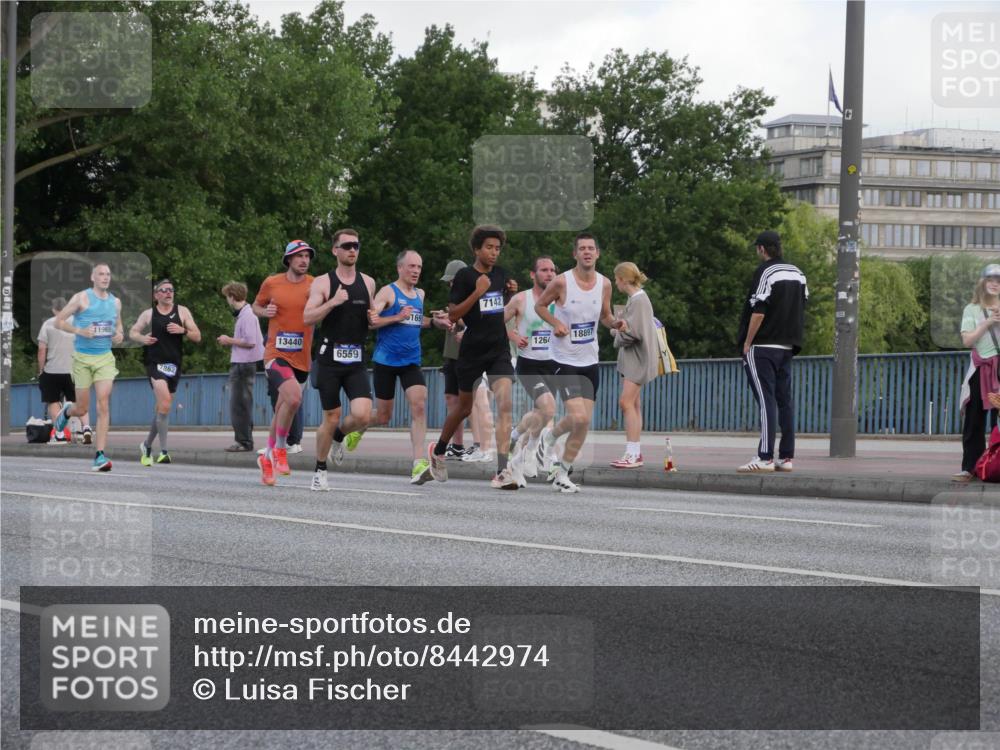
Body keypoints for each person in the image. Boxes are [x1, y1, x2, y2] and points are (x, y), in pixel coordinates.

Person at [426, 225, 522, 490]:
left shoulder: (500, 274)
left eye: (498, 248)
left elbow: (496, 309)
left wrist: (510, 294)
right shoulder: (465, 277)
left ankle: (502, 471)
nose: (494, 253)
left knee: (504, 403)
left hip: (498, 350)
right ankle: (439, 450)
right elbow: (454, 314)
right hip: (471, 352)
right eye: (489, 247)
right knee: (464, 408)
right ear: (477, 249)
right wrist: (477, 292)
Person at [535, 233, 620, 493]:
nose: (587, 252)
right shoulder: (562, 282)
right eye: (582, 248)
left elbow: (605, 315)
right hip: (564, 359)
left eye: (591, 248)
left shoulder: (605, 284)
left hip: (590, 360)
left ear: (598, 254)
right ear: (575, 254)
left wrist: (616, 323)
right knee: (578, 416)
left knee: (583, 423)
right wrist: (556, 323)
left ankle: (562, 472)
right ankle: (550, 437)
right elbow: (540, 306)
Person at [364, 249, 452, 483]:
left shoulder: (420, 294)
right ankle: (358, 426)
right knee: (383, 416)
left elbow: (417, 320)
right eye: (411, 266)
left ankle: (418, 463)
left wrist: (435, 322)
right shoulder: (388, 291)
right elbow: (371, 321)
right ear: (400, 268)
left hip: (411, 361)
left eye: (419, 267)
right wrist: (396, 317)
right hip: (386, 361)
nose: (416, 271)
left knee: (419, 406)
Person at [303, 229, 375, 492]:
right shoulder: (323, 283)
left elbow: (372, 318)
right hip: (329, 360)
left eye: (356, 245)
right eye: (346, 246)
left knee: (363, 415)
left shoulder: (368, 282)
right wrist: (333, 302)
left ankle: (338, 437)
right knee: (332, 416)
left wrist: (376, 318)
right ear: (335, 250)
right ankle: (320, 470)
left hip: (355, 358)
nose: (352, 250)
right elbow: (307, 317)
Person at [735, 230, 808, 473]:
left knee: (766, 400)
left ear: (762, 249)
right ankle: (786, 457)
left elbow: (759, 310)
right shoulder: (798, 273)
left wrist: (747, 341)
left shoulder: (766, 272)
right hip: (787, 346)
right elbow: (802, 305)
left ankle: (764, 456)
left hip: (763, 346)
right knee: (784, 401)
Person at [253, 240, 316, 486]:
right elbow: (255, 306)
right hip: (276, 353)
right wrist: (264, 312)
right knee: (294, 398)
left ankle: (267, 458)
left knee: (282, 408)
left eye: (307, 256)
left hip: (302, 357)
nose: (304, 260)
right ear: (288, 259)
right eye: (299, 256)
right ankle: (280, 448)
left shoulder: (315, 284)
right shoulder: (272, 282)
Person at [53, 262, 124, 472]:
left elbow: (119, 325)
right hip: (82, 358)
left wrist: (119, 334)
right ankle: (68, 411)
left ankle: (99, 455)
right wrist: (80, 331)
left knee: (103, 404)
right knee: (82, 408)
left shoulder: (115, 302)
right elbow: (59, 321)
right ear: (93, 277)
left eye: (108, 274)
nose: (105, 277)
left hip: (105, 358)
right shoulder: (81, 298)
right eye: (101, 274)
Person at [129, 279, 202, 465]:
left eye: (171, 290)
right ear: (156, 295)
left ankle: (146, 445)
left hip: (174, 365)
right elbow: (133, 332)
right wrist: (142, 339)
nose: (169, 293)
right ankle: (163, 451)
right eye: (164, 290)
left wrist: (183, 330)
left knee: (163, 408)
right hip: (155, 363)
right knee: (166, 402)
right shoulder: (149, 314)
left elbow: (197, 336)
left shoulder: (182, 311)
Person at [506, 256, 559, 477]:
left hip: (553, 363)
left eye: (552, 270)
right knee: (548, 408)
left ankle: (515, 437)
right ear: (532, 274)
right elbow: (497, 323)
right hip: (529, 364)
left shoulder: (561, 300)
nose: (549, 274)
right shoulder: (521, 299)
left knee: (541, 412)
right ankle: (539, 455)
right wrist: (514, 336)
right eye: (544, 270)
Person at [609, 262, 660, 468]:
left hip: (637, 360)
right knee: (634, 405)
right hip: (636, 359)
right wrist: (621, 328)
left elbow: (635, 333)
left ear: (623, 279)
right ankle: (635, 453)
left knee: (626, 403)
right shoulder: (637, 299)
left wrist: (616, 332)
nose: (615, 283)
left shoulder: (638, 300)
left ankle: (632, 454)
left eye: (616, 279)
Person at [955, 264, 1000, 482]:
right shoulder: (971, 309)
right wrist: (987, 322)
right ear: (983, 283)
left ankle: (995, 466)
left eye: (998, 281)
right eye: (991, 280)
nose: (995, 284)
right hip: (981, 367)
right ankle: (970, 467)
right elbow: (967, 340)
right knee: (974, 419)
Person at [218, 282, 265, 452]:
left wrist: (228, 340)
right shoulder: (246, 314)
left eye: (227, 297)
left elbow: (250, 341)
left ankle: (243, 441)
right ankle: (244, 440)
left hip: (243, 365)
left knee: (239, 404)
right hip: (244, 364)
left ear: (232, 297)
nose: (227, 300)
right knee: (242, 403)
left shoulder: (247, 316)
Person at [37, 297, 90, 444]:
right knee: (79, 402)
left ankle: (59, 433)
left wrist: (41, 370)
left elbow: (42, 350)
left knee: (53, 402)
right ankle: (86, 429)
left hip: (52, 371)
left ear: (53, 309)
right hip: (75, 370)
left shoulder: (48, 324)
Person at [439, 260, 471, 459]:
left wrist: (453, 317)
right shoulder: (454, 298)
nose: (451, 285)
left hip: (467, 356)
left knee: (468, 403)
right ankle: (457, 445)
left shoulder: (475, 297)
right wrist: (444, 319)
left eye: (453, 281)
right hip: (451, 354)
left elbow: (478, 323)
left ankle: (476, 444)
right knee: (452, 399)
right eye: (449, 282)